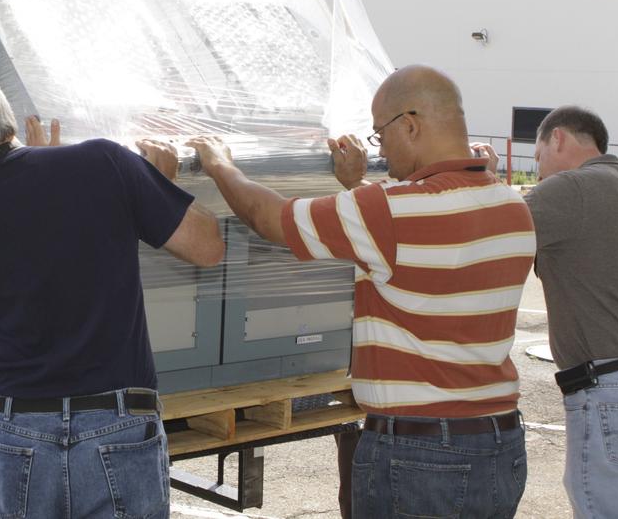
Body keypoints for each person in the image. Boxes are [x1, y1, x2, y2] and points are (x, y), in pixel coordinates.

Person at [186, 65, 535, 518]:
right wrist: (356, 186)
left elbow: (270, 218)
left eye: (381, 135)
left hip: (421, 454)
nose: (381, 151)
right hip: (498, 445)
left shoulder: (390, 212)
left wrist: (219, 164)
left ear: (410, 125)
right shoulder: (511, 207)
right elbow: (416, 240)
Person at [0, 61, 224, 519]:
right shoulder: (104, 163)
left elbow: (29, 237)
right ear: (4, 112)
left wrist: (40, 167)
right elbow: (209, 247)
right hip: (117, 422)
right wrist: (160, 187)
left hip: (20, 429)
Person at [475, 106, 618, 518]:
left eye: (537, 159)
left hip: (614, 391)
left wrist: (483, 177)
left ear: (558, 139)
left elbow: (488, 225)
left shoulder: (572, 189)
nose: (537, 174)